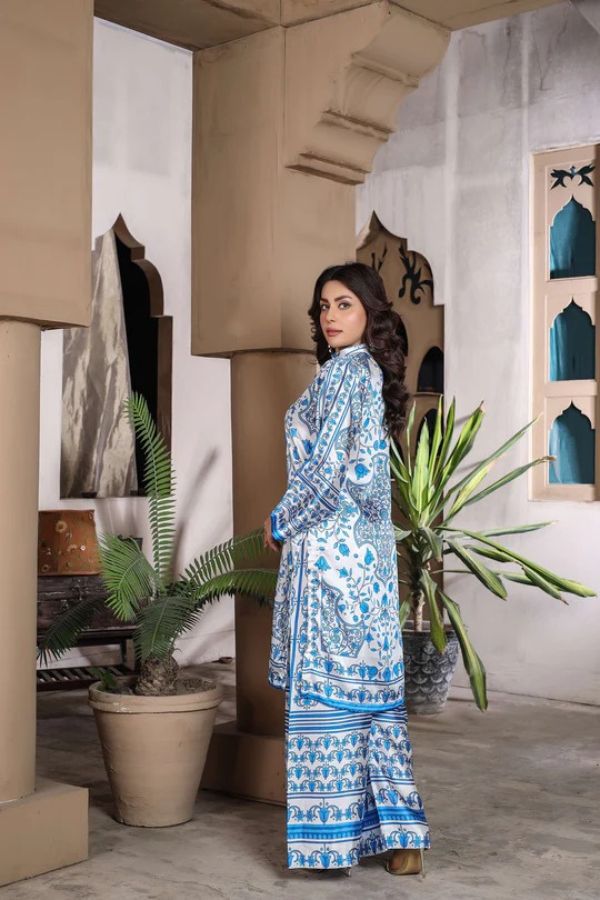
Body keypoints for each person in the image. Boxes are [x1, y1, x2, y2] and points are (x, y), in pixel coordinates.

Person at [263, 262, 431, 876]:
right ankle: (402, 839)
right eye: (324, 307)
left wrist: (280, 521)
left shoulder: (344, 375)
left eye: (344, 305)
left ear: (370, 315)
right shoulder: (367, 374)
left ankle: (332, 846)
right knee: (373, 704)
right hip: (370, 564)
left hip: (330, 563)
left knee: (328, 703)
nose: (330, 317)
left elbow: (327, 471)